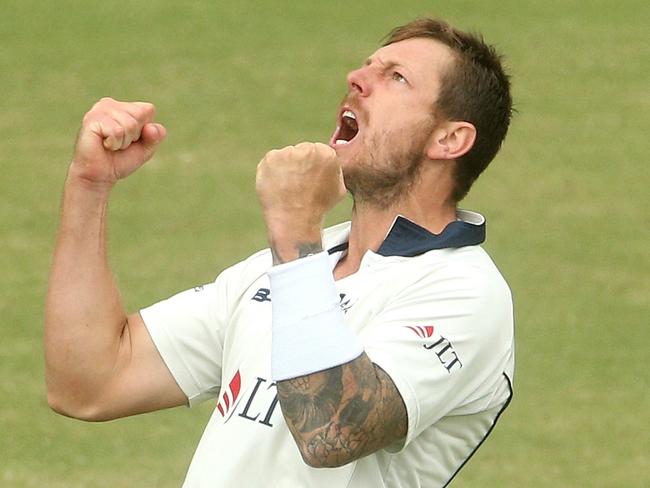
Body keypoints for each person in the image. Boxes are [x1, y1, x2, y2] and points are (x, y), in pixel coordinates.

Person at [45, 17, 515, 487]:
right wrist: (90, 185)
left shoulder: (465, 292)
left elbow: (332, 431)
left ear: (450, 139)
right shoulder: (302, 265)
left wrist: (294, 228)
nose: (357, 78)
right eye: (368, 65)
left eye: (396, 77)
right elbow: (90, 383)